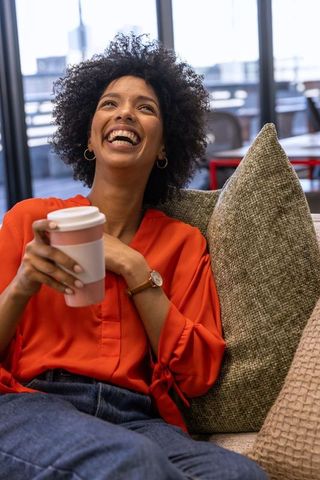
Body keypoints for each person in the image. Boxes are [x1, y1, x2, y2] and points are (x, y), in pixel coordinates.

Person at [0, 34, 267, 480]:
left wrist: (136, 269)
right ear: (89, 133)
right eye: (110, 104)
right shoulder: (32, 221)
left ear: (164, 146)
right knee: (130, 465)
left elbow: (199, 375)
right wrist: (23, 283)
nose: (125, 112)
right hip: (33, 403)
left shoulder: (182, 243)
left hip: (137, 417)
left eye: (146, 108)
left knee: (241, 476)